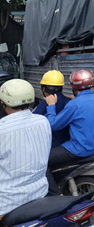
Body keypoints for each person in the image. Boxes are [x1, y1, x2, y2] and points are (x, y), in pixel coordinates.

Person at [45, 69, 94, 194]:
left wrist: (51, 105)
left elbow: (53, 125)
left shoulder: (74, 105)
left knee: (42, 160)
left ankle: (55, 196)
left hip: (80, 149)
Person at [0, 79, 52, 220]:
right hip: (40, 192)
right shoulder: (43, 121)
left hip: (6, 202)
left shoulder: (2, 129)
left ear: (3, 103)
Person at [33, 70, 71, 147]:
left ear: (43, 89)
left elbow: (32, 123)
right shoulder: (70, 102)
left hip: (51, 145)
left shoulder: (45, 104)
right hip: (68, 143)